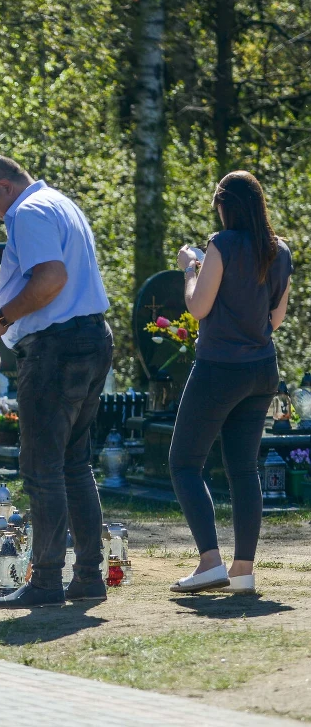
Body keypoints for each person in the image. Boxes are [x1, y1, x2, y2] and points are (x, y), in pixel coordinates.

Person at [0, 156, 111, 608]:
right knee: (75, 463)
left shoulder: (27, 213)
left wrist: (3, 317)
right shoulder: (60, 203)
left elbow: (51, 277)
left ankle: (47, 580)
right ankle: (89, 574)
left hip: (57, 347)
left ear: (5, 186)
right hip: (91, 337)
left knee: (42, 467)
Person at [168, 171, 291, 596]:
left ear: (225, 205)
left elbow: (198, 306)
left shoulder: (219, 244)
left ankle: (210, 562)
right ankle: (243, 570)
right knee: (243, 469)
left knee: (184, 462)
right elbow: (275, 320)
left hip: (219, 369)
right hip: (262, 370)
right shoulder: (281, 252)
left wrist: (191, 268)